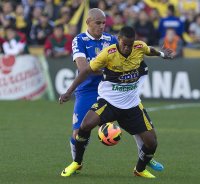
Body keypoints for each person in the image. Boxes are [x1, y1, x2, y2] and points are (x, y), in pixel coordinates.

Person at [59, 26, 173, 178]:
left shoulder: (138, 47)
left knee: (152, 142)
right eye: (124, 44)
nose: (127, 48)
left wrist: (161, 53)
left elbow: (148, 50)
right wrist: (69, 91)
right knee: (85, 125)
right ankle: (77, 162)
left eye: (130, 45)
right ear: (118, 40)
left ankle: (139, 169)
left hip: (132, 104)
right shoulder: (108, 53)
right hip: (109, 102)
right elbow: (86, 70)